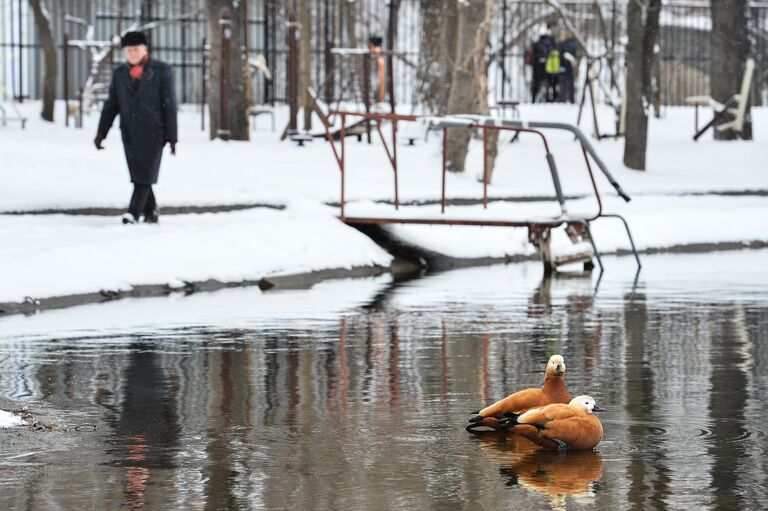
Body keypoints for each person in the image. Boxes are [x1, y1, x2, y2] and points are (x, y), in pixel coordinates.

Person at [94, 31, 177, 224]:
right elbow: (111, 105)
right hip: (129, 133)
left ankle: (133, 212)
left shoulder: (161, 70)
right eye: (128, 50)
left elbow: (169, 104)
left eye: (135, 49)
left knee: (144, 173)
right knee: (139, 172)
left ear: (144, 49)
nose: (132, 53)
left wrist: (172, 137)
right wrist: (101, 132)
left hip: (154, 132)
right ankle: (151, 210)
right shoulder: (119, 74)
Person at [529, 28, 554, 103]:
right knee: (548, 82)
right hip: (546, 66)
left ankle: (534, 98)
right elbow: (551, 52)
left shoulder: (537, 43)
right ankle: (548, 99)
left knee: (536, 83)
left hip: (537, 66)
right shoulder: (548, 43)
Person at [558, 32, 579, 103]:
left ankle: (568, 99)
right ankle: (565, 99)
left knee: (567, 83)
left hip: (567, 66)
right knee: (565, 83)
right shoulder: (564, 43)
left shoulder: (569, 43)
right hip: (565, 66)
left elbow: (562, 54)